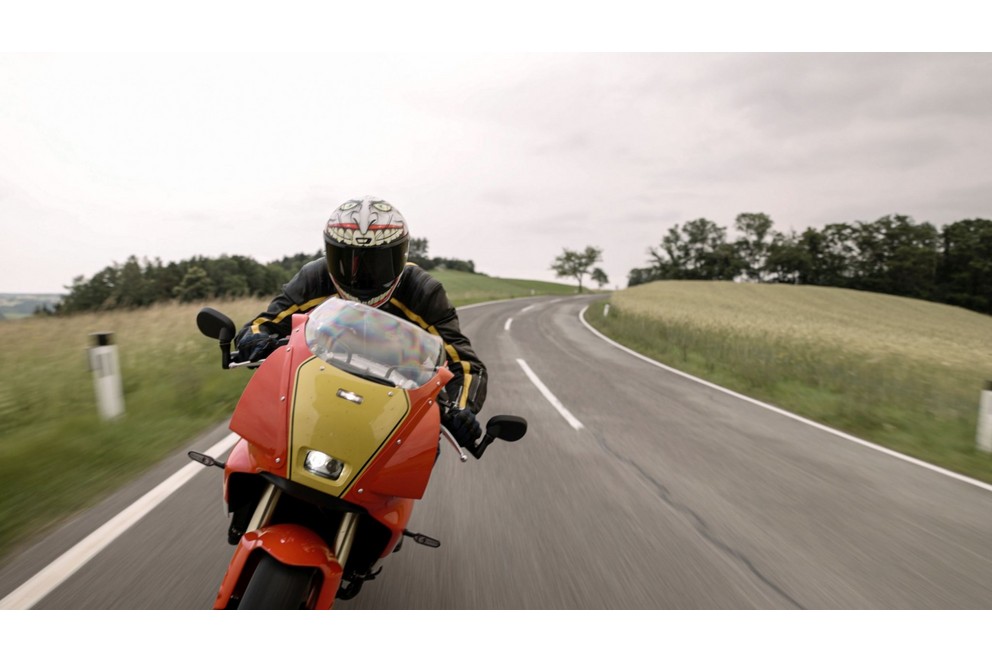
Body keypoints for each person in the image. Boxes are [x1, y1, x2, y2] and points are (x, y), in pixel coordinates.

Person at [234, 195, 485, 449]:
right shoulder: (315, 277)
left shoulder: (423, 291)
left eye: (375, 263)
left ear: (401, 255)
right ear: (329, 253)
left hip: (397, 409)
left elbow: (464, 363)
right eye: (347, 260)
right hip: (316, 393)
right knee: (260, 448)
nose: (360, 275)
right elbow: (263, 323)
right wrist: (254, 339)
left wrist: (460, 409)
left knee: (418, 454)